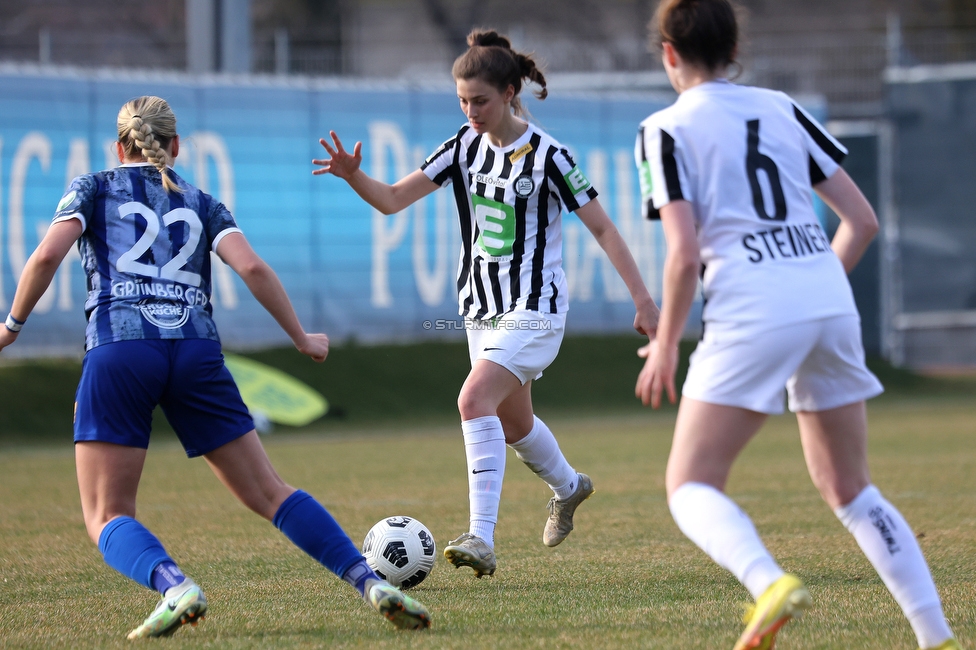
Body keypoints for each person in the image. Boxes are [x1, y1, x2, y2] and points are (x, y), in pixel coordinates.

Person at [0, 96, 430, 639]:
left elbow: (44, 257)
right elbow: (250, 266)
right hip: (195, 350)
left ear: (118, 146)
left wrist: (11, 327)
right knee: (270, 492)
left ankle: (175, 586)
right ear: (175, 147)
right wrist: (300, 337)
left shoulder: (93, 187)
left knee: (106, 513)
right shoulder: (202, 201)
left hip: (122, 348)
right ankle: (369, 581)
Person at [634, 2, 961, 649]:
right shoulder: (781, 107)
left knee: (690, 484)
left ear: (669, 53)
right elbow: (860, 220)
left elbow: (681, 252)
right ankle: (937, 638)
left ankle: (769, 583)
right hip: (828, 296)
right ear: (733, 48)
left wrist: (665, 345)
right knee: (850, 486)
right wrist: (814, 288)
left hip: (752, 304)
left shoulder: (663, 129)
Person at [313, 30, 659, 578]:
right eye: (462, 101)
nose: (471, 111)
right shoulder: (460, 147)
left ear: (510, 91)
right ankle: (569, 488)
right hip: (481, 310)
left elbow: (605, 230)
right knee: (514, 422)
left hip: (535, 308)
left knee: (473, 400)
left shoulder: (551, 156)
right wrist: (356, 176)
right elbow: (393, 200)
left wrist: (644, 299)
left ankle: (481, 537)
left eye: (481, 101)